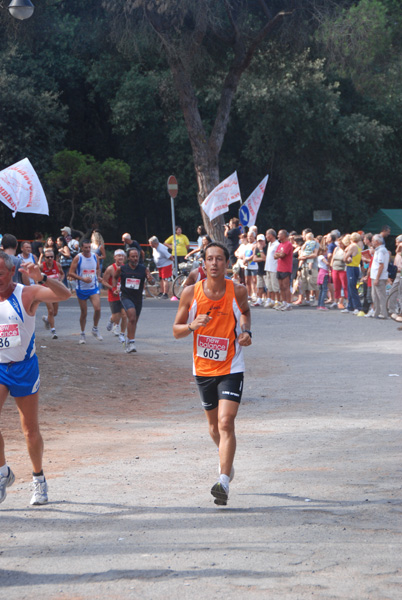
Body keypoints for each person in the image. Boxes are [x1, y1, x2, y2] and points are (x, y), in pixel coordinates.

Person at [173, 242, 252, 506]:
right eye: (210, 259)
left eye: (219, 259)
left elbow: (246, 313)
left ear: (227, 263)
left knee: (226, 422)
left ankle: (223, 482)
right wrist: (192, 326)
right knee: (212, 427)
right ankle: (227, 463)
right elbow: (176, 330)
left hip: (231, 366)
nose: (215, 263)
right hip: (203, 368)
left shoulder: (237, 291)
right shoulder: (190, 293)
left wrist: (246, 331)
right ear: (203, 264)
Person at [0, 252, 71, 506]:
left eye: (0, 273)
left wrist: (43, 279)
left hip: (24, 368)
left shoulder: (27, 293)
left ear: (11, 272)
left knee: (30, 431)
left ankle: (38, 479)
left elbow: (64, 296)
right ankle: (3, 473)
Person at [112, 248, 155, 353]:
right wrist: (115, 288)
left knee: (134, 320)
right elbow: (115, 277)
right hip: (126, 296)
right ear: (128, 258)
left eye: (137, 256)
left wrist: (151, 279)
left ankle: (128, 339)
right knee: (131, 316)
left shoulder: (143, 269)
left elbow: (152, 281)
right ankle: (131, 343)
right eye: (133, 256)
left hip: (138, 298)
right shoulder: (122, 269)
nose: (135, 258)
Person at [68, 239, 103, 344]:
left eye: (89, 247)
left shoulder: (95, 256)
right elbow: (70, 273)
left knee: (98, 309)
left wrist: (98, 276)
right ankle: (82, 333)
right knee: (84, 312)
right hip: (82, 288)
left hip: (93, 287)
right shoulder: (78, 258)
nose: (87, 249)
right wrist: (82, 279)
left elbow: (97, 269)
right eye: (85, 247)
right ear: (81, 248)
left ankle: (95, 329)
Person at [101, 249, 127, 343]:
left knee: (124, 315)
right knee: (116, 315)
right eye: (118, 255)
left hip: (124, 295)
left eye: (122, 256)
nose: (120, 257)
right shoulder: (110, 268)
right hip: (113, 294)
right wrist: (112, 288)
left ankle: (122, 334)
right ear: (115, 257)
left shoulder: (126, 268)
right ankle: (112, 320)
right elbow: (104, 281)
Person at [40, 249, 63, 339]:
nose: (50, 258)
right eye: (47, 257)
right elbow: (36, 277)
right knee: (50, 311)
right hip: (46, 291)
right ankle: (53, 331)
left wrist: (60, 280)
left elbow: (62, 273)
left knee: (55, 312)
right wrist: (40, 284)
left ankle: (47, 319)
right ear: (44, 258)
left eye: (51, 257)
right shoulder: (41, 266)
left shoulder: (57, 265)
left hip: (55, 291)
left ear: (54, 257)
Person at [370, 234, 389, 319]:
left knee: (380, 295)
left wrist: (377, 278)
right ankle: (377, 312)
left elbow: (381, 265)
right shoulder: (379, 250)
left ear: (377, 242)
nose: (372, 242)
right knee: (375, 295)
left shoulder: (381, 251)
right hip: (375, 276)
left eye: (373, 241)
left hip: (379, 277)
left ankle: (383, 313)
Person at [274, 230, 294, 311]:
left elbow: (282, 255)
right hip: (279, 268)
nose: (278, 236)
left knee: (286, 286)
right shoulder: (280, 245)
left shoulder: (288, 244)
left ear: (284, 235)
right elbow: (275, 256)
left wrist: (279, 254)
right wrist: (279, 254)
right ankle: (284, 302)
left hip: (286, 268)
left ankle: (289, 304)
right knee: (281, 287)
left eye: (279, 234)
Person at [263, 229, 280, 308]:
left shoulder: (277, 244)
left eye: (267, 235)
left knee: (275, 286)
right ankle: (272, 301)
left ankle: (278, 301)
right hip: (268, 267)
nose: (266, 236)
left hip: (274, 268)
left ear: (271, 235)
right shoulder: (269, 244)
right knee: (269, 286)